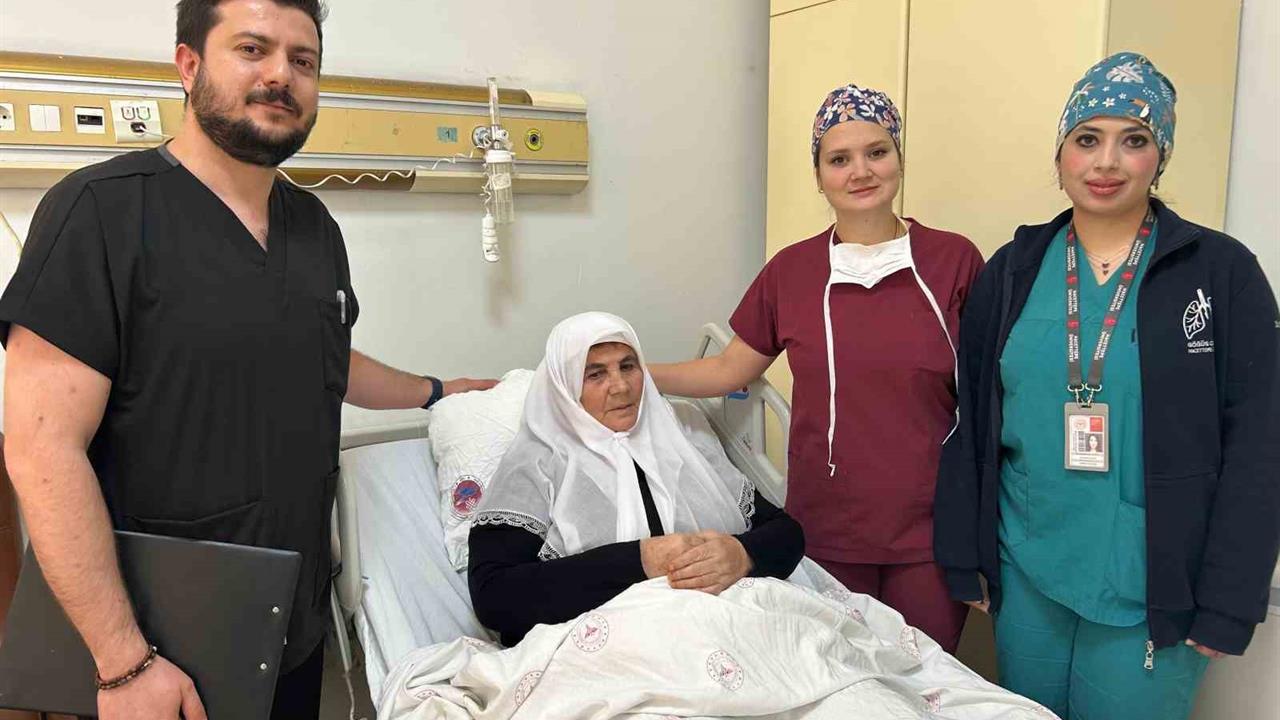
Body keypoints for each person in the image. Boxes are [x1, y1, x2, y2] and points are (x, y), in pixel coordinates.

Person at [0, 1, 495, 718]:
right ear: (189, 65)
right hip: (155, 641)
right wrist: (122, 663)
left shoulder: (313, 227)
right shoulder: (98, 213)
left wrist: (439, 391)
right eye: (253, 49)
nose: (281, 76)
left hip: (287, 620)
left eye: (303, 60)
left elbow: (322, 354)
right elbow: (42, 450)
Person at [934, 52, 1280, 719]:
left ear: (1161, 156)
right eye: (1088, 138)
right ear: (1061, 153)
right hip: (1027, 566)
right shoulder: (1013, 269)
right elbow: (969, 422)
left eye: (1134, 140)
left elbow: (1259, 444)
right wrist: (964, 554)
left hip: (1156, 580)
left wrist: (1229, 599)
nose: (1107, 162)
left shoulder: (1220, 273)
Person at [649, 84, 984, 652]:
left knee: (926, 679)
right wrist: (633, 374)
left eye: (876, 152)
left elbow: (991, 394)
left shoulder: (954, 261)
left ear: (899, 158)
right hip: (828, 527)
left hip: (931, 528)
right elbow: (728, 369)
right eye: (839, 159)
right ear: (819, 175)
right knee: (839, 677)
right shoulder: (791, 272)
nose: (861, 171)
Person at [467, 312, 805, 646]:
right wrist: (639, 560)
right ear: (565, 386)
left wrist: (743, 554)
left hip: (720, 628)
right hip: (606, 647)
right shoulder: (537, 461)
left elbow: (786, 533)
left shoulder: (681, 437)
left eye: (628, 366)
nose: (621, 387)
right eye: (595, 374)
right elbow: (494, 596)